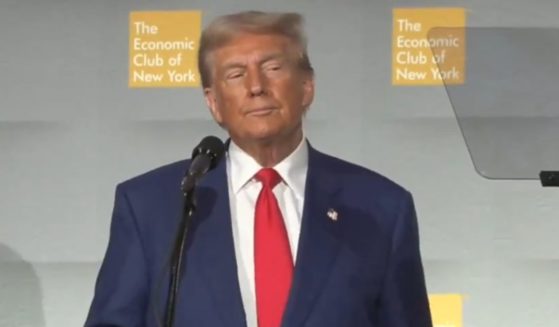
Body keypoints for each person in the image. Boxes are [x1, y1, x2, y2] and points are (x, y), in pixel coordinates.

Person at [85, 10, 432, 327]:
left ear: (307, 87)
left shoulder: (381, 208)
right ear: (214, 103)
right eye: (235, 74)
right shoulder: (153, 207)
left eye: (272, 68)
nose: (256, 87)